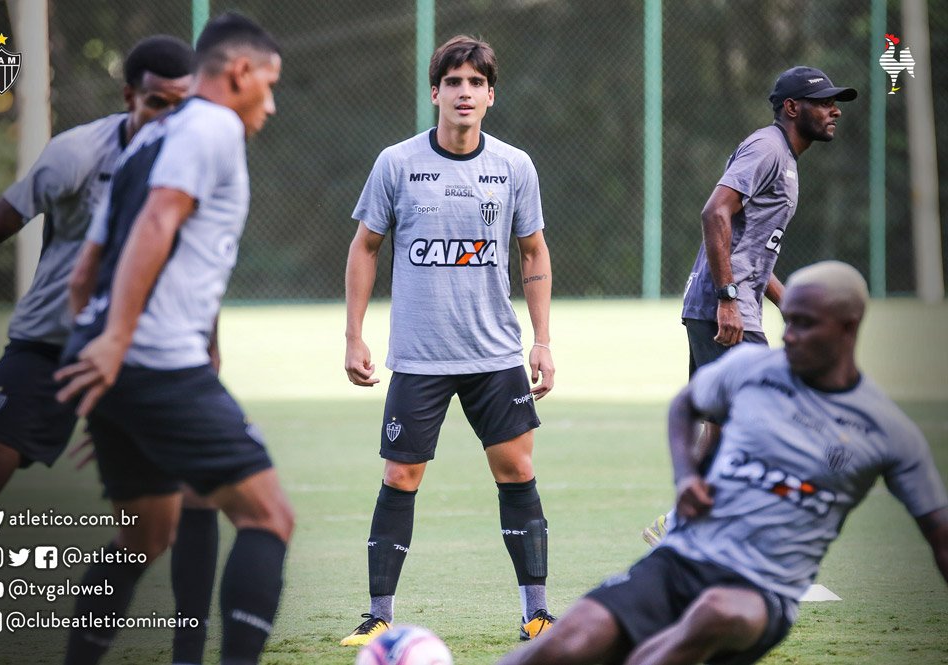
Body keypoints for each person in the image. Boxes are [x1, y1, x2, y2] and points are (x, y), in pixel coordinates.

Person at [500, 260, 948, 665]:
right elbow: (685, 405)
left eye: (805, 325)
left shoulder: (885, 431)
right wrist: (686, 475)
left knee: (714, 613)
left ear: (848, 328)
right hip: (681, 560)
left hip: (761, 594)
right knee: (567, 641)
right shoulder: (753, 368)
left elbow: (939, 534)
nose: (788, 336)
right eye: (787, 321)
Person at [53, 13, 291, 665]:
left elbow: (85, 271)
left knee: (143, 536)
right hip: (157, 357)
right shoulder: (212, 126)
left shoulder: (144, 142)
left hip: (115, 357)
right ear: (239, 72)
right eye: (267, 85)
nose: (269, 105)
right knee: (269, 517)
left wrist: (103, 370)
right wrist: (120, 350)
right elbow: (157, 223)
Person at [0, 34, 193, 573]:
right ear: (130, 95)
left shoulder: (198, 165)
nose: (169, 117)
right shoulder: (77, 154)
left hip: (138, 358)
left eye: (183, 105)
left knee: (154, 530)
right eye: (157, 102)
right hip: (49, 348)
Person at [341, 35, 556, 646]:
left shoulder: (514, 167)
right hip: (420, 355)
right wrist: (353, 334)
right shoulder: (396, 163)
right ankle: (378, 616)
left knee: (516, 469)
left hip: (494, 354)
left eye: (476, 83)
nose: (464, 93)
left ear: (491, 95)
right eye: (453, 82)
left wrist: (542, 341)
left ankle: (536, 613)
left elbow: (533, 252)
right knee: (401, 474)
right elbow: (365, 247)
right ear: (435, 93)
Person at [643, 66, 859, 546]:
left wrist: (789, 304)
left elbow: (749, 250)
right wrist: (728, 300)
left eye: (834, 102)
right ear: (791, 108)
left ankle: (682, 527)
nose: (834, 110)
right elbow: (714, 211)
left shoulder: (784, 158)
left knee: (724, 427)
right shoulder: (767, 148)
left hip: (721, 306)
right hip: (723, 310)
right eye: (823, 102)